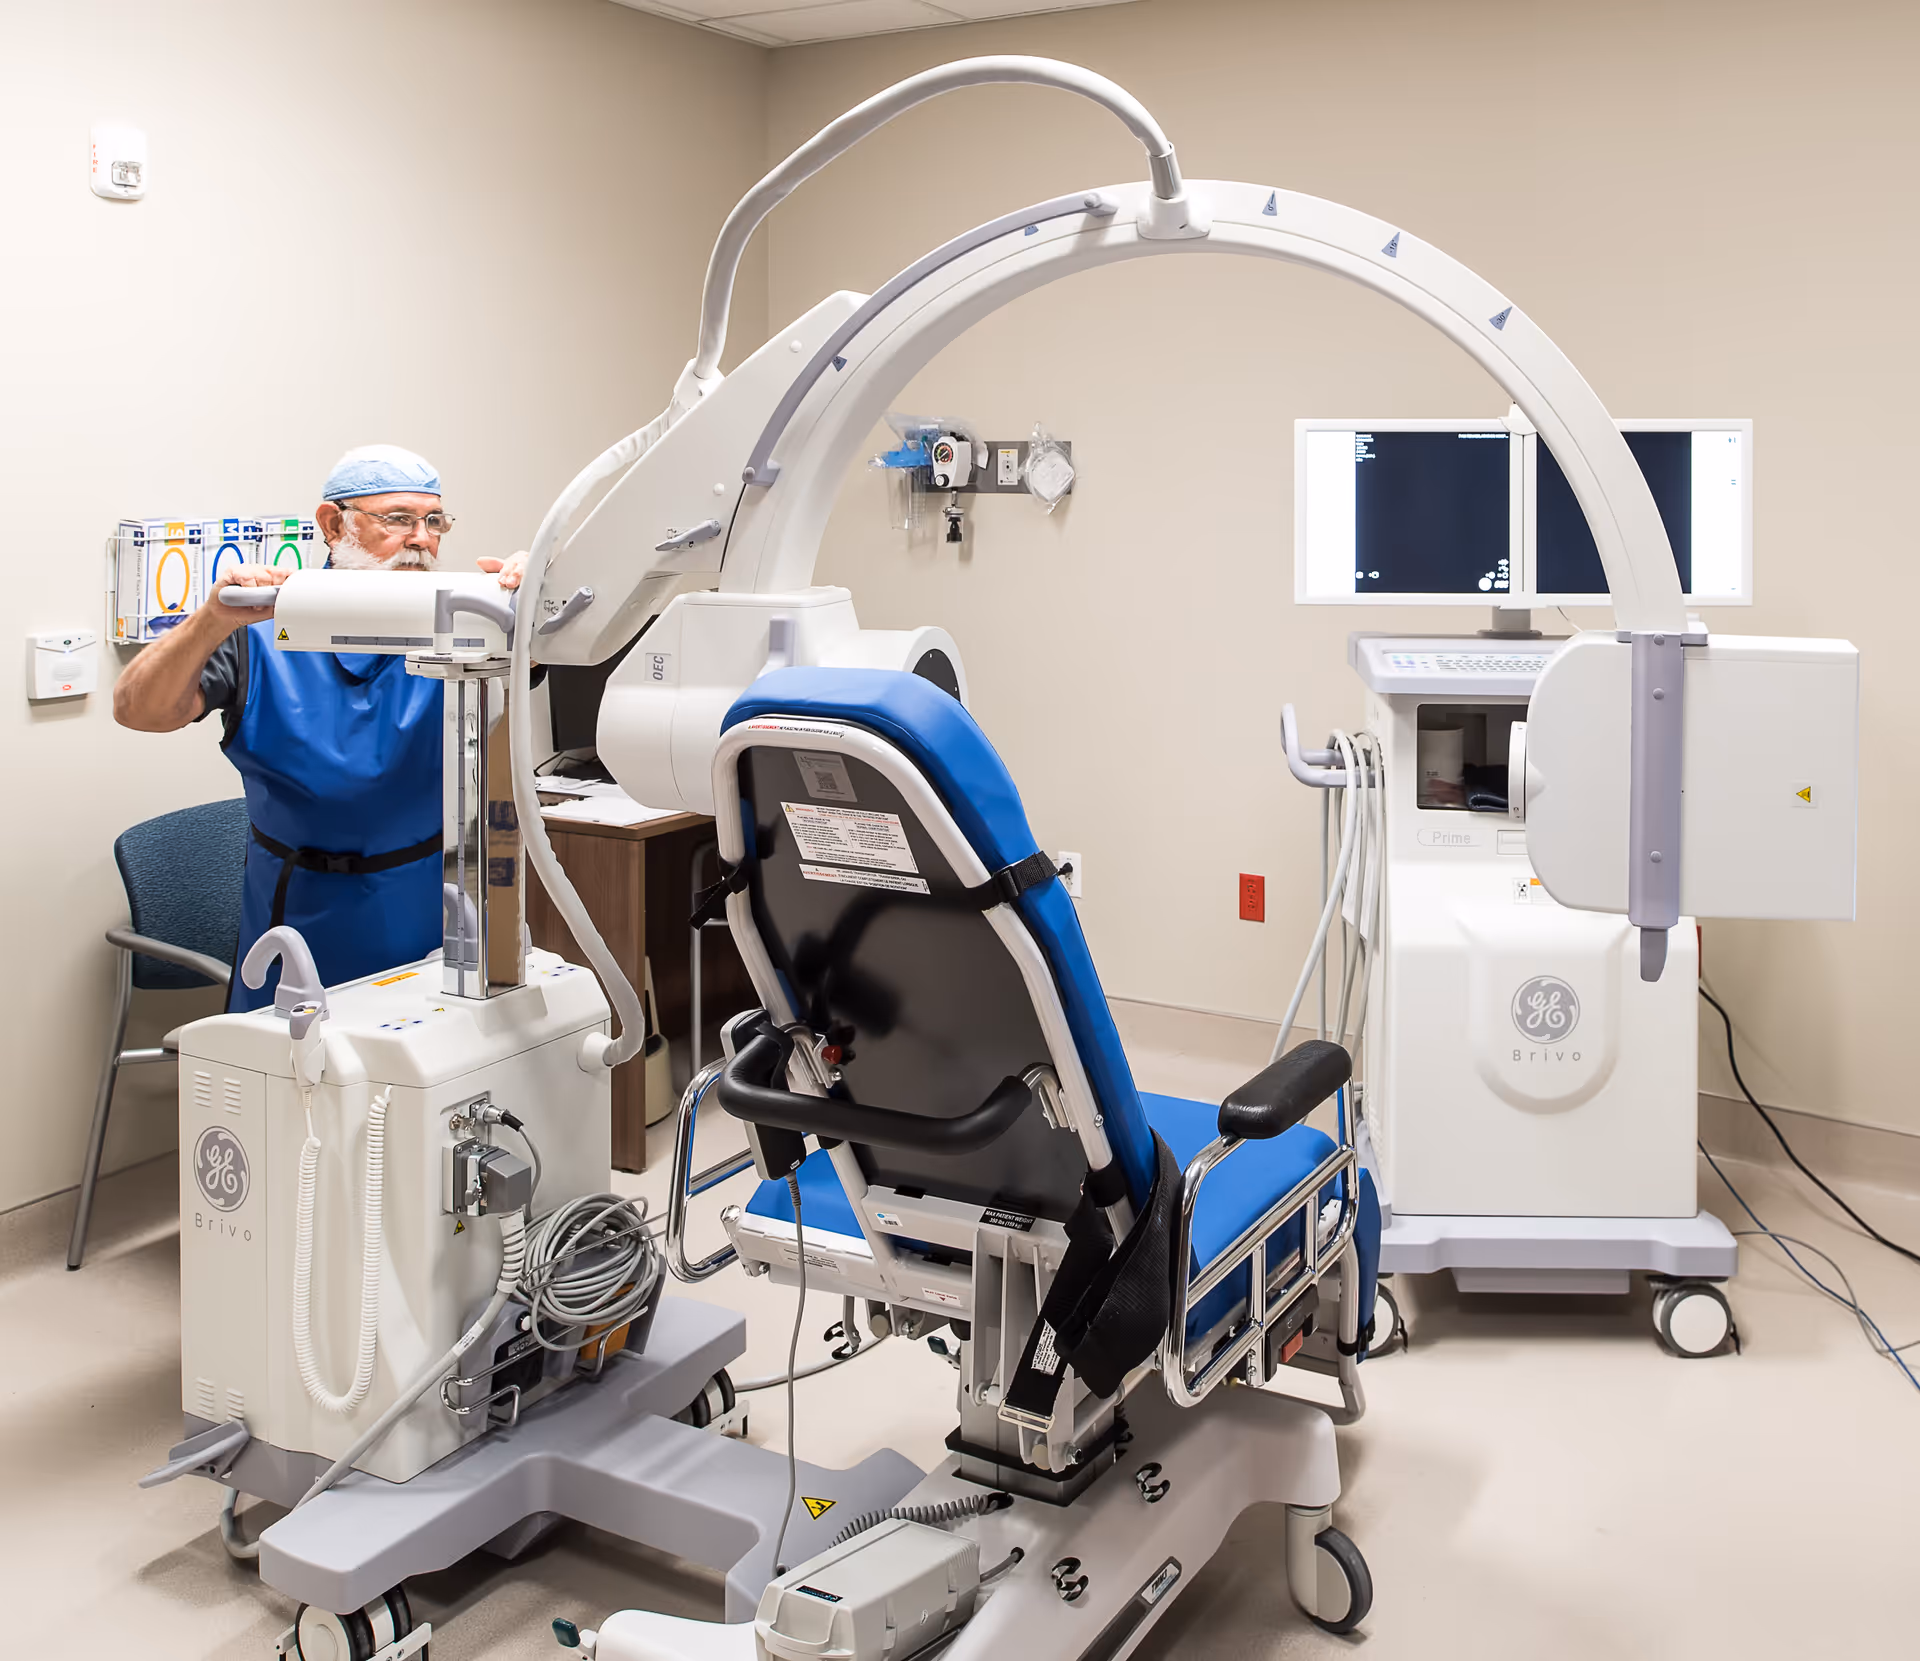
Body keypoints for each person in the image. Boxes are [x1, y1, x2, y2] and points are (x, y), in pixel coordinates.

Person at [114, 444, 525, 1009]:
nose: (422, 539)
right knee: (289, 1076)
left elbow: (585, 639)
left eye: (434, 522)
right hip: (298, 905)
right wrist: (210, 619)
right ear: (333, 524)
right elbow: (139, 710)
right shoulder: (259, 628)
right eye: (398, 519)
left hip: (420, 898)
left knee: (422, 1068)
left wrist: (537, 594)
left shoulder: (467, 624)